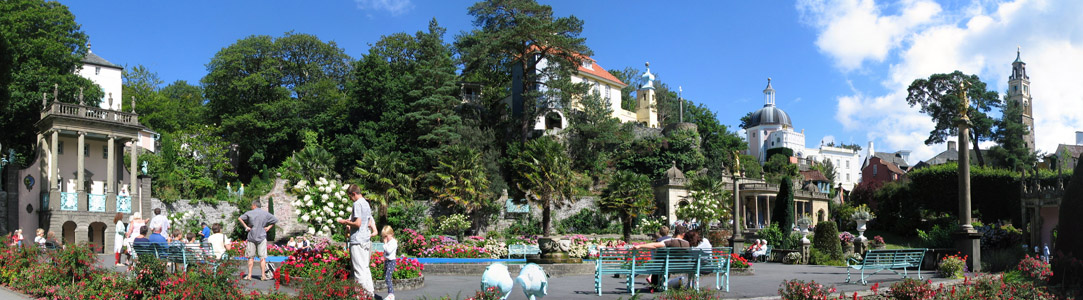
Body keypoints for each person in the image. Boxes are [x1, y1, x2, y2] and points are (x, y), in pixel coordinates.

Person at [336, 184, 377, 297]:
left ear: (353, 194)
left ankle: (361, 296)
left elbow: (358, 223)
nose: (350, 199)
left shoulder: (357, 203)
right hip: (365, 240)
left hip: (358, 240)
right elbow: (367, 223)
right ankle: (369, 294)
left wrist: (345, 222)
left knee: (359, 270)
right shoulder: (366, 203)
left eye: (350, 197)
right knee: (365, 268)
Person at [239, 199, 278, 281]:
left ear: (254, 205)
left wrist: (246, 227)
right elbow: (275, 220)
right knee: (262, 257)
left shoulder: (250, 213)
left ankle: (249, 275)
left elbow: (240, 218)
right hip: (262, 236)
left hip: (252, 236)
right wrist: (268, 227)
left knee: (250, 257)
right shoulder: (265, 214)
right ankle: (263, 275)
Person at [381, 226, 399, 300]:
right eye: (384, 236)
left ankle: (391, 294)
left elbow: (388, 251)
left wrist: (385, 243)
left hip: (392, 261)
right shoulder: (388, 242)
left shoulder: (393, 242)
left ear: (391, 234)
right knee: (386, 277)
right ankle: (390, 294)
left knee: (388, 278)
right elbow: (385, 253)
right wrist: (384, 262)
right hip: (388, 261)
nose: (385, 238)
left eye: (386, 236)